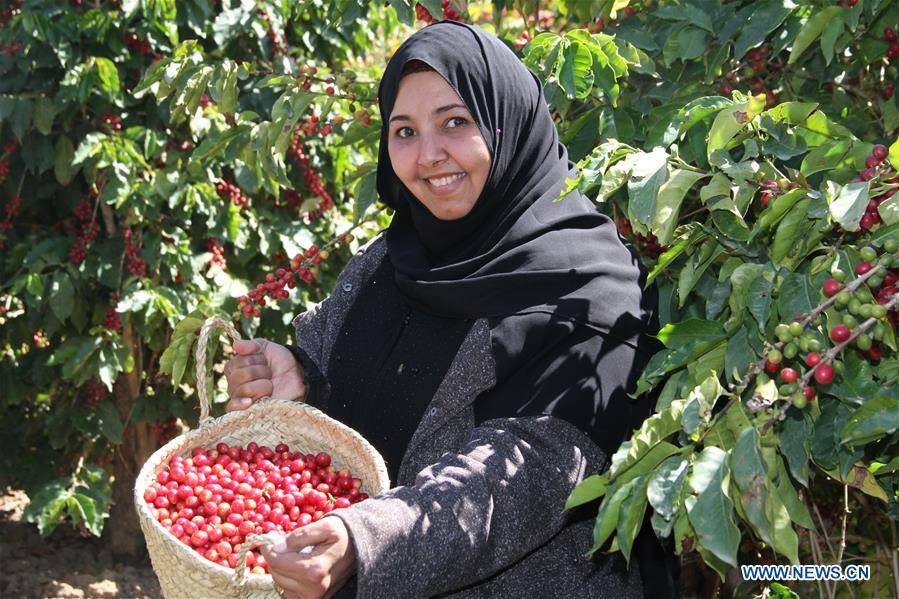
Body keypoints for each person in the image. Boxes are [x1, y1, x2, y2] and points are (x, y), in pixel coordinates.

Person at [223, 20, 675, 599]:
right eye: (404, 131)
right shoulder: (396, 255)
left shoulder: (590, 290)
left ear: (507, 123)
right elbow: (353, 368)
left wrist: (366, 542)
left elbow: (519, 479)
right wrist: (305, 376)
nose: (429, 156)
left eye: (455, 122)